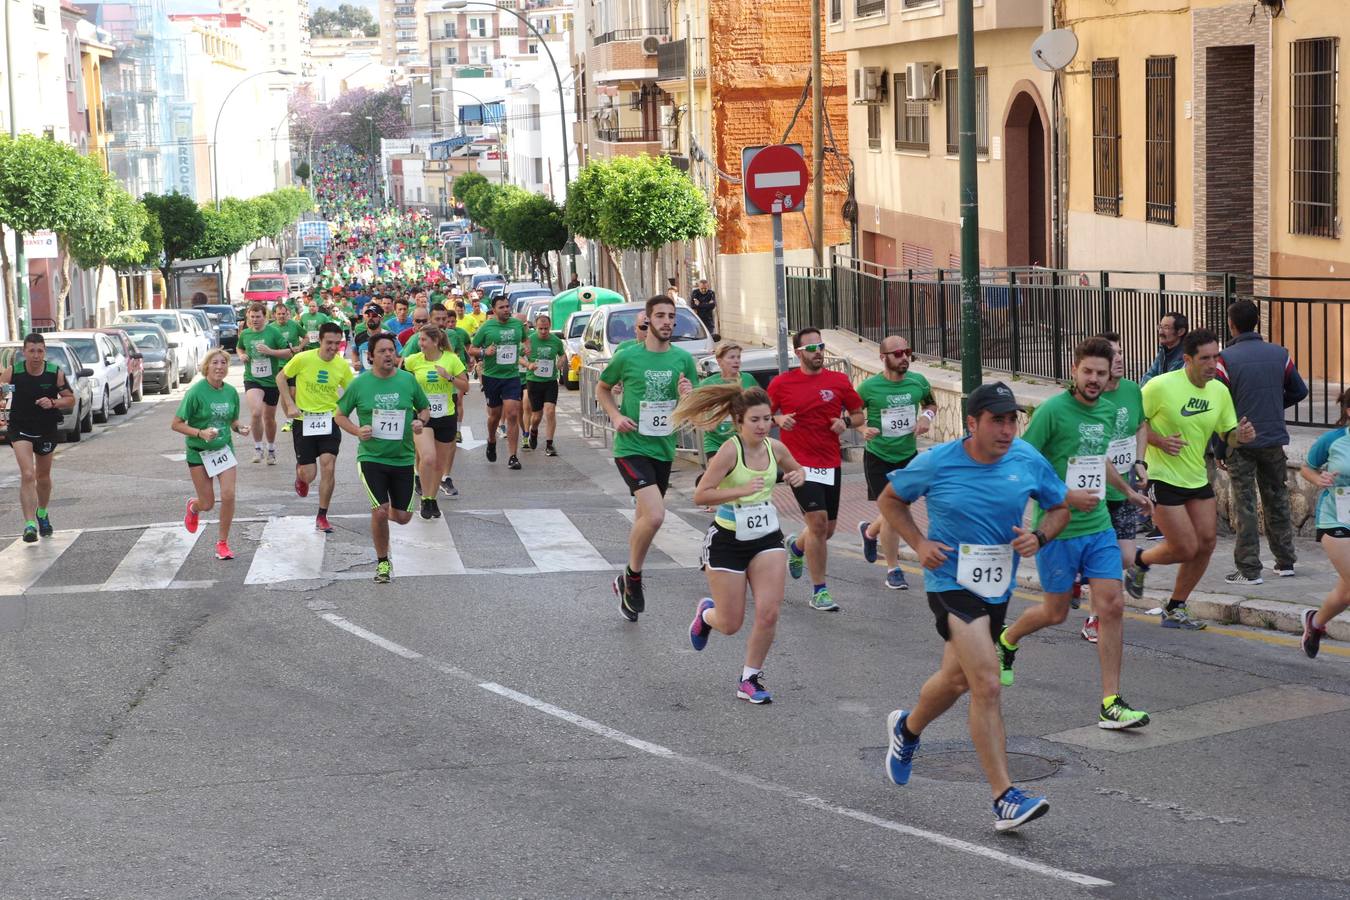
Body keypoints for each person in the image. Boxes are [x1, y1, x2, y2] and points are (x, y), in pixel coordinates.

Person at [878, 381, 1069, 829]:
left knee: (956, 679)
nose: (1006, 430)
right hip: (950, 578)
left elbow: (1059, 507)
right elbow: (890, 499)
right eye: (996, 421)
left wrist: (1039, 535)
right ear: (972, 423)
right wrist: (919, 543)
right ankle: (1005, 797)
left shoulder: (1026, 458)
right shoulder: (938, 462)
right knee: (986, 681)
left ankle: (907, 730)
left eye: (1012, 420)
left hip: (997, 584)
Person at [995, 338, 1153, 729]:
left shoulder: (1104, 411)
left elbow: (1097, 458)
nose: (1095, 379)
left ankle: (1110, 702)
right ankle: (1007, 639)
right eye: (1088, 372)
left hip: (1098, 524)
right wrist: (1063, 495)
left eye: (1101, 372)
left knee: (1112, 605)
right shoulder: (1053, 412)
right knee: (1056, 611)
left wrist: (1129, 492)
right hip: (1059, 527)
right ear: (1074, 369)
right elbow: (1023, 461)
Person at [679, 383, 806, 704]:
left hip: (766, 538)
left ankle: (750, 677)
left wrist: (797, 477)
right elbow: (701, 494)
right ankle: (707, 615)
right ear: (739, 422)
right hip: (727, 540)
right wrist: (740, 490)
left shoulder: (775, 449)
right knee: (730, 622)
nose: (763, 426)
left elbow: (798, 470)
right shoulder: (730, 451)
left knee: (768, 612)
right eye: (755, 420)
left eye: (767, 419)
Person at [1125, 329, 1257, 629]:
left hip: (1196, 477)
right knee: (1184, 547)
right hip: (1160, 476)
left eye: (1216, 356)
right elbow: (1136, 423)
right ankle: (1140, 559)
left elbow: (1228, 436)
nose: (1213, 364)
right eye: (1205, 358)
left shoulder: (1219, 391)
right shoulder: (1160, 386)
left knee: (1207, 542)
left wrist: (1242, 436)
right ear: (1187, 359)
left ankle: (1176, 606)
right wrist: (1158, 442)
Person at [597, 295, 699, 621]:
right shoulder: (628, 357)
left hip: (663, 449)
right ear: (648, 321)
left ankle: (626, 580)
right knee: (655, 516)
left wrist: (687, 396)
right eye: (661, 316)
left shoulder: (683, 360)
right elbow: (602, 387)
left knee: (644, 517)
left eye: (671, 316)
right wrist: (614, 416)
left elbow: (692, 407)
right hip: (630, 447)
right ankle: (635, 577)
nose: (667, 321)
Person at [767, 328, 864, 612]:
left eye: (821, 346)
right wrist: (779, 418)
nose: (818, 352)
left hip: (829, 462)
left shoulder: (838, 380)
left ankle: (797, 547)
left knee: (826, 530)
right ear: (798, 353)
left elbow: (859, 414)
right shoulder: (781, 383)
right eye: (811, 348)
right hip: (796, 462)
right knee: (818, 523)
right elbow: (762, 414)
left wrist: (845, 423)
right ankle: (820, 590)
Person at [1215, 299, 1308, 584]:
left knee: (1244, 504)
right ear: (1257, 321)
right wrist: (1274, 405)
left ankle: (1249, 569)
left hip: (1239, 441)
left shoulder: (1225, 359)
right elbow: (1299, 390)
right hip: (1272, 439)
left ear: (1232, 325)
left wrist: (1220, 447)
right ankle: (1285, 561)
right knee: (1276, 498)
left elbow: (1219, 405)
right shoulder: (1280, 354)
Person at [334, 332, 431, 583]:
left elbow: (424, 407)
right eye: (382, 351)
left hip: (402, 458)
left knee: (402, 517)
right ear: (370, 357)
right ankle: (383, 562)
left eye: (391, 350)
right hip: (371, 457)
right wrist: (357, 430)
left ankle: (388, 511)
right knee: (379, 511)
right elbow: (340, 415)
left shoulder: (408, 381)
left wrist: (420, 421)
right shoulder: (360, 384)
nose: (388, 354)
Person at [856, 336, 936, 590]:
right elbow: (853, 414)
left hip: (907, 455)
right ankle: (893, 568)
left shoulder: (918, 382)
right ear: (883, 358)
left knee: (896, 510)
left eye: (907, 352)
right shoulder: (869, 388)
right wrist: (862, 428)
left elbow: (931, 403)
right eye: (898, 353)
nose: (904, 357)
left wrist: (925, 417)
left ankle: (869, 532)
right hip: (879, 456)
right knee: (894, 514)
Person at [1090, 332, 1151, 643]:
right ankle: (1096, 615)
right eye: (1113, 353)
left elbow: (1141, 424)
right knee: (1105, 557)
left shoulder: (1131, 389)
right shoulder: (1091, 398)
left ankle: (1093, 593)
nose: (1120, 358)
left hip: (1125, 484)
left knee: (1125, 557)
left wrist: (1140, 461)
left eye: (1121, 351)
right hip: (1096, 491)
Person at [277, 322, 354, 534]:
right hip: (304, 421)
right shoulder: (303, 358)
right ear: (319, 340)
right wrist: (289, 404)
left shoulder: (341, 366)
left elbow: (352, 392)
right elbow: (280, 378)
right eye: (329, 342)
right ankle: (300, 474)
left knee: (329, 465)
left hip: (329, 420)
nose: (332, 347)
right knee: (309, 474)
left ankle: (322, 515)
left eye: (337, 344)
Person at [173, 349, 249, 560]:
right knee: (207, 503)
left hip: (223, 450)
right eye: (215, 363)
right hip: (199, 453)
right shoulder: (196, 392)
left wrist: (239, 427)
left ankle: (222, 543)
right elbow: (176, 424)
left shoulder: (231, 392)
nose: (219, 367)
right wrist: (200, 433)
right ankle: (194, 506)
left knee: (228, 495)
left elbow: (232, 420)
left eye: (223, 363)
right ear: (207, 366)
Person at [0, 333, 75, 542]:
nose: (35, 356)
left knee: (43, 477)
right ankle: (29, 524)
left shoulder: (54, 373)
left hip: (46, 428)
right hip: (20, 428)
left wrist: (52, 402)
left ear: (45, 352)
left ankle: (42, 513)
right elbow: (0, 392)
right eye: (31, 351)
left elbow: (70, 399)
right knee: (28, 474)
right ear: (24, 352)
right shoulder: (13, 372)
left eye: (40, 351)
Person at [1298, 389, 1350, 659]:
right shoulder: (1334, 439)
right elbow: (1307, 467)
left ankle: (1315, 623)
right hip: (1336, 518)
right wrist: (1319, 480)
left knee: (1345, 592)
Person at [403, 327, 468, 518]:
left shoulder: (451, 359)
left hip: (446, 415)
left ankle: (431, 498)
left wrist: (449, 377)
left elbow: (465, 385)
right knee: (428, 457)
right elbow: (397, 375)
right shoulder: (413, 360)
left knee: (439, 463)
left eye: (423, 340)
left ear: (435, 342)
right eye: (419, 340)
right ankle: (424, 498)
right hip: (423, 416)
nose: (420, 343)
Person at [470, 295, 528, 470]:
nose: (506, 310)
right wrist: (483, 352)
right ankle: (491, 439)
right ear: (494, 310)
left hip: (511, 376)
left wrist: (527, 346)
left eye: (507, 306)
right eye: (501, 307)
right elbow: (472, 349)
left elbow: (526, 339)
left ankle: (513, 456)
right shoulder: (487, 327)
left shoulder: (517, 325)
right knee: (495, 415)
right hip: (492, 376)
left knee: (512, 413)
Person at [235, 302, 293, 464]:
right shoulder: (245, 334)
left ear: (265, 317)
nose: (255, 320)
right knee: (256, 412)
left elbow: (288, 353)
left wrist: (270, 352)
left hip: (271, 381)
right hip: (252, 379)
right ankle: (258, 448)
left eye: (258, 317)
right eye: (252, 317)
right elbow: (239, 348)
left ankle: (271, 449)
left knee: (269, 418)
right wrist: (241, 355)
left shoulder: (273, 332)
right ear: (248, 317)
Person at [698, 344, 757, 461]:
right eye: (731, 357)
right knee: (718, 476)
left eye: (738, 357)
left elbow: (760, 405)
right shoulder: (708, 384)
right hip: (715, 441)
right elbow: (696, 409)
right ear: (720, 361)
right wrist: (705, 422)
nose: (736, 361)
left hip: (742, 440)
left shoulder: (748, 379)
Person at [523, 313, 565, 455]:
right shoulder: (529, 340)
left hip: (550, 381)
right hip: (534, 381)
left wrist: (560, 361)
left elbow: (563, 354)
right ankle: (533, 431)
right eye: (540, 328)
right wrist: (528, 364)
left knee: (550, 411)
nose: (543, 331)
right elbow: (518, 356)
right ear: (536, 327)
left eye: (546, 328)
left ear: (550, 327)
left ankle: (549, 444)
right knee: (537, 416)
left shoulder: (555, 341)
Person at [1140, 311, 1188, 385]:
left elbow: (1172, 383)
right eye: (1160, 327)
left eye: (1166, 327)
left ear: (1180, 331)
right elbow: (1147, 377)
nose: (1160, 332)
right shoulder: (1163, 351)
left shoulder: (1187, 355)